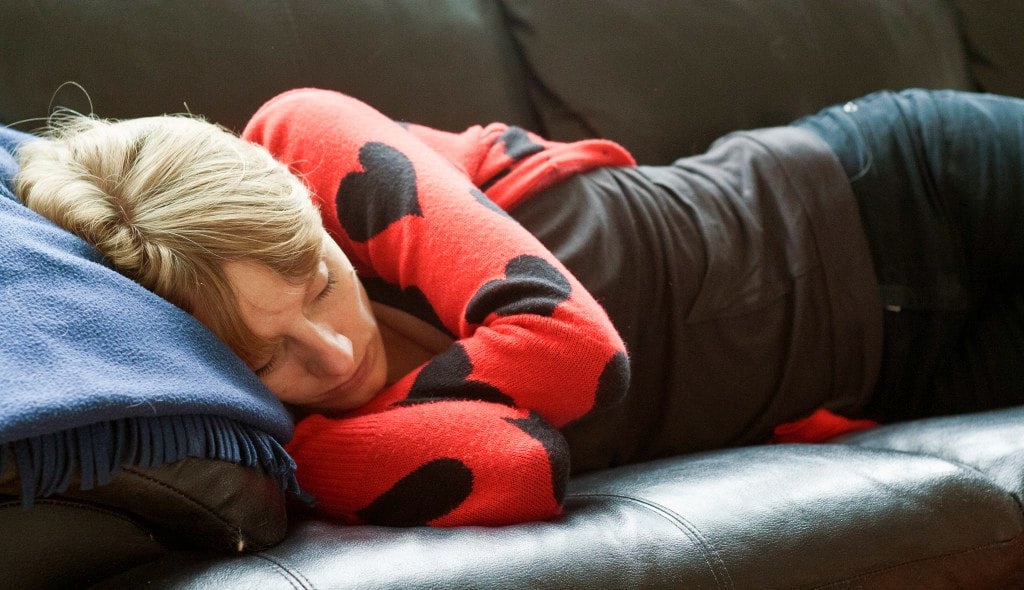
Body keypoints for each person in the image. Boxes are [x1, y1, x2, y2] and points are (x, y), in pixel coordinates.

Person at [12, 87, 1024, 527]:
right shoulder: (313, 444)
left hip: (892, 188)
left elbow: (580, 355)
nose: (331, 351)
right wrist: (306, 449)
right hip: (899, 371)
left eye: (320, 280)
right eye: (272, 358)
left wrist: (328, 434)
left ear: (308, 212)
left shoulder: (305, 140)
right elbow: (525, 463)